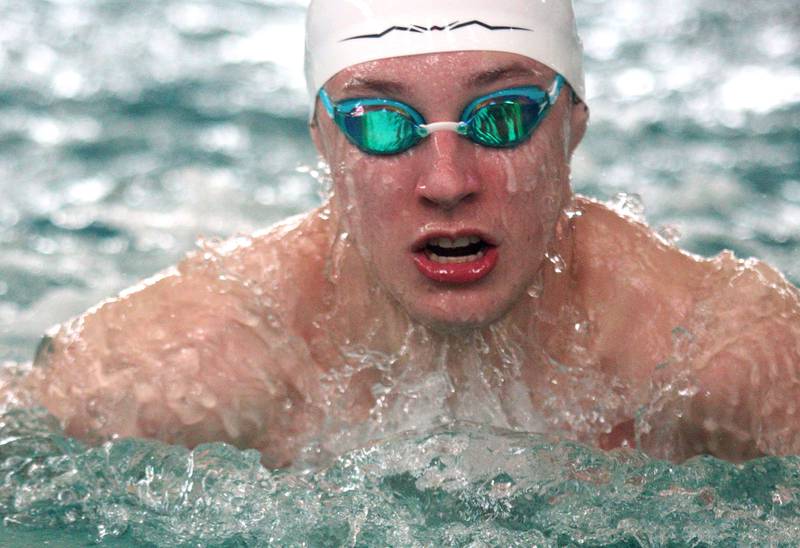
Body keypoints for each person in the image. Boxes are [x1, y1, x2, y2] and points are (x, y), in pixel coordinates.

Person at [24, 0, 800, 467]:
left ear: (574, 125)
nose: (447, 181)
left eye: (502, 116)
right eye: (381, 124)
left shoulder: (714, 354)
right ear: (324, 142)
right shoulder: (192, 364)